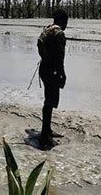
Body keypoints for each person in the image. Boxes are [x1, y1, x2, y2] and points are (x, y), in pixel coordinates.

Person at [37, 9, 68, 148]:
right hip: (52, 70)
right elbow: (60, 57)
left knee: (48, 100)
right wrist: (62, 74)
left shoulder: (48, 29)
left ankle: (47, 130)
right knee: (50, 101)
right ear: (63, 21)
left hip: (44, 68)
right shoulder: (59, 33)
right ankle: (44, 136)